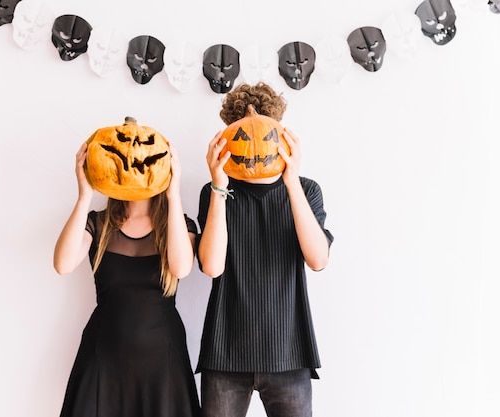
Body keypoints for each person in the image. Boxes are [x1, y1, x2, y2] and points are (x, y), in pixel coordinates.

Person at [196, 82, 334, 417]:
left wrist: (291, 180)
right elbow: (212, 266)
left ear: (280, 133)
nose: (254, 142)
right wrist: (218, 187)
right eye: (242, 132)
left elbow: (318, 259)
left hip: (289, 350)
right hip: (225, 352)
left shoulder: (306, 190)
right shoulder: (215, 192)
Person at [53, 141, 201, 417]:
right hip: (104, 356)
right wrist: (84, 194)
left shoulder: (179, 224)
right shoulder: (98, 223)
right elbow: (62, 264)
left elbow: (181, 268)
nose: (134, 168)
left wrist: (174, 193)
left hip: (162, 361)